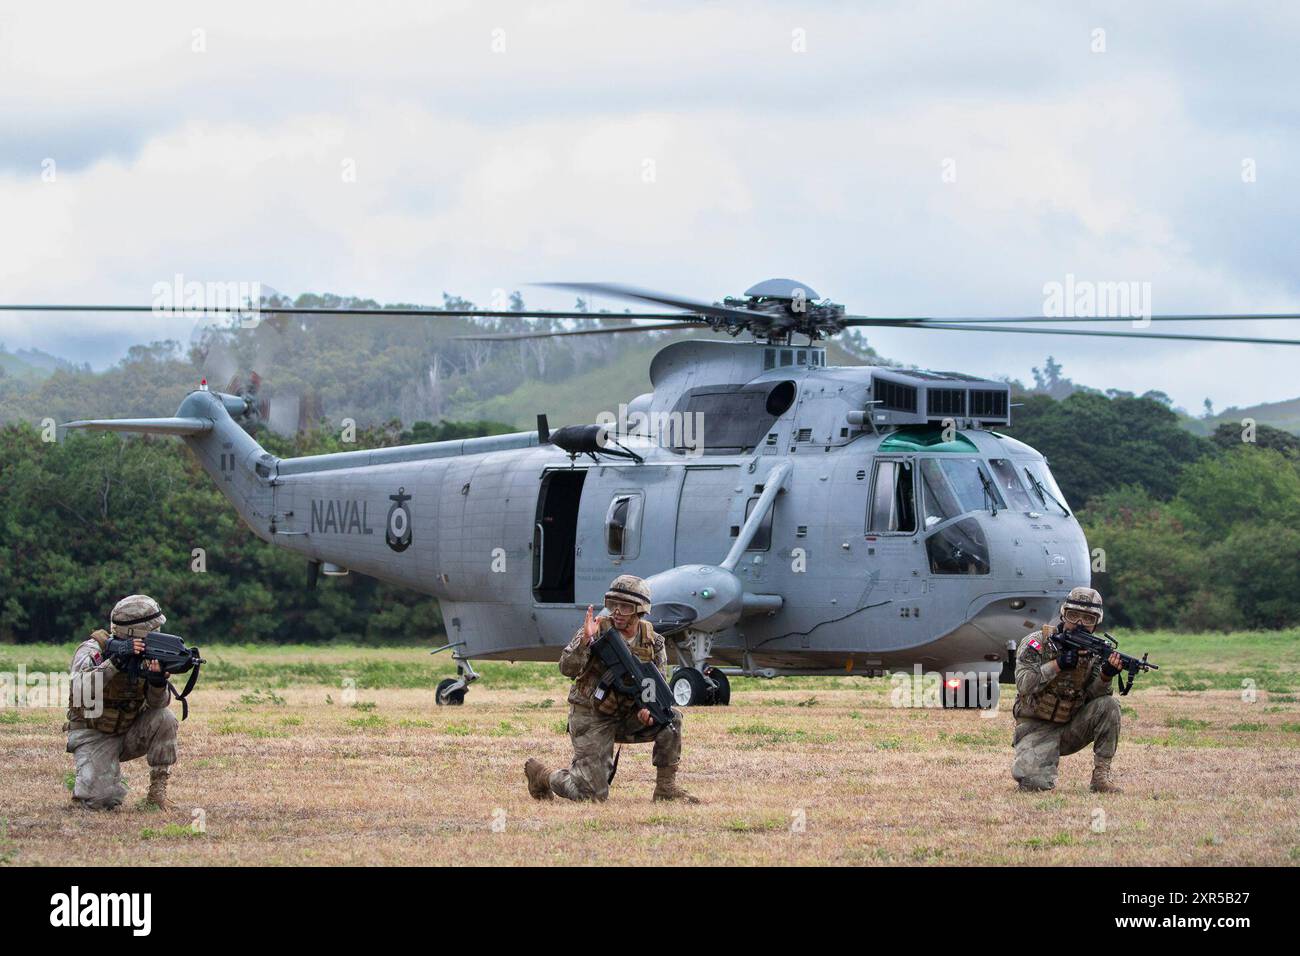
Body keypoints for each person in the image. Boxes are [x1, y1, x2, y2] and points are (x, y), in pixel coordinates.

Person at [523, 575, 699, 803]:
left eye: (625, 607)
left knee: (671, 718)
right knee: (592, 796)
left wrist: (648, 709)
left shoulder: (653, 641)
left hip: (627, 715)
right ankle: (544, 776)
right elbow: (567, 669)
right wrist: (584, 641)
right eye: (612, 605)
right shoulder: (595, 631)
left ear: (639, 610)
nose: (616, 611)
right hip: (591, 716)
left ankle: (666, 790)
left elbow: (656, 685)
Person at [65, 594, 178, 810]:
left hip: (129, 730)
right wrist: (115, 662)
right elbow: (79, 690)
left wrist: (157, 683)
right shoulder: (93, 650)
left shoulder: (149, 654)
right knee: (99, 802)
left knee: (165, 717)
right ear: (135, 632)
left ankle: (157, 793)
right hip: (94, 733)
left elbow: (157, 705)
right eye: (153, 629)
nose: (158, 634)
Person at [1011, 586, 1125, 794]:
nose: (1079, 624)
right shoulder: (1037, 643)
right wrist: (1058, 665)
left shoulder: (1094, 653)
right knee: (1034, 786)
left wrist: (1105, 676)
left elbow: (1094, 699)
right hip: (1035, 729)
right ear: (1063, 614)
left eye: (1088, 619)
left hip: (1071, 726)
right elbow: (1023, 684)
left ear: (1097, 623)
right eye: (1073, 616)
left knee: (1110, 706)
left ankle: (1101, 776)